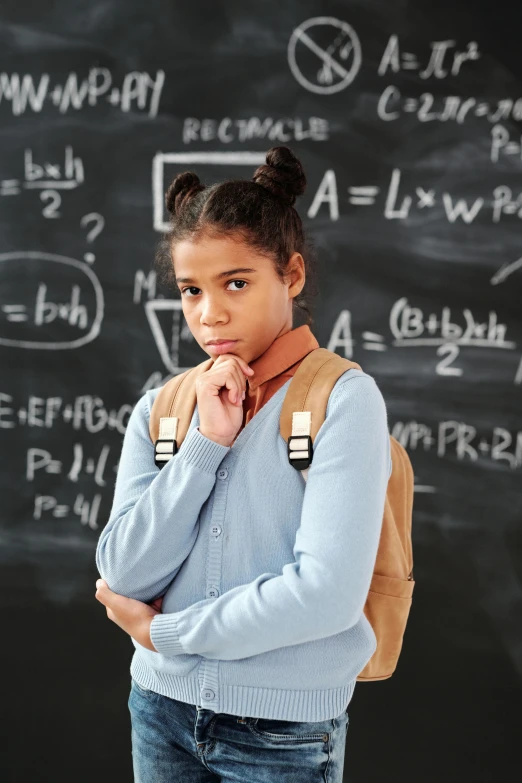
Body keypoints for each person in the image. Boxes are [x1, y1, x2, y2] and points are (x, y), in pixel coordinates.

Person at [94, 145, 392, 782]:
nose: (210, 314)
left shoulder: (343, 399)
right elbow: (122, 568)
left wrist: (165, 635)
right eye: (190, 290)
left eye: (236, 283)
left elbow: (326, 596)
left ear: (292, 274)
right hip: (158, 711)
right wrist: (205, 446)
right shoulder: (164, 405)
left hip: (281, 733)